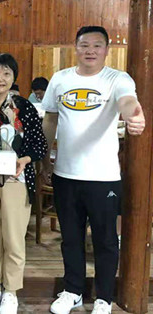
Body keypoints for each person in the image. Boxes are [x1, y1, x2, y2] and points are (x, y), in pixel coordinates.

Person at [42, 26, 145, 314]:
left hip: (103, 177)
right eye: (84, 44)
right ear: (75, 47)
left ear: (106, 50)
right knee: (71, 238)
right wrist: (43, 158)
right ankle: (72, 291)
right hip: (65, 175)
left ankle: (103, 298)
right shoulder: (60, 79)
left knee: (106, 240)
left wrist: (134, 114)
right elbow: (50, 119)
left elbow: (127, 100)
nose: (90, 50)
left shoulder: (117, 78)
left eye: (97, 45)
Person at [0, 54, 47, 314]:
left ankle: (11, 290)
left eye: (6, 73)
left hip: (17, 180)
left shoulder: (24, 107)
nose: (0, 78)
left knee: (13, 238)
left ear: (14, 77)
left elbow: (39, 145)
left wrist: (24, 159)